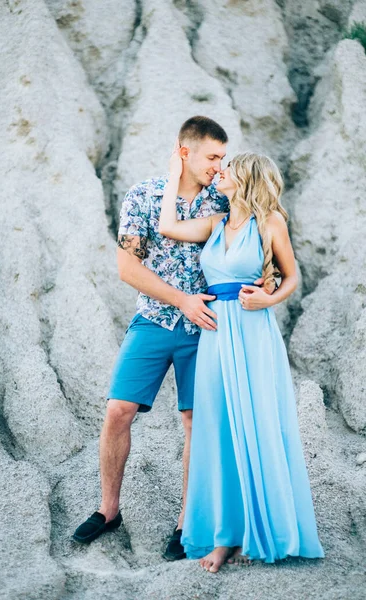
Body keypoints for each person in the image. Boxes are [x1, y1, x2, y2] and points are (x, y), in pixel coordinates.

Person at [72, 116, 269, 559]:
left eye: (224, 158)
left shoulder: (226, 197)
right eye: (213, 157)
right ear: (185, 153)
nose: (220, 166)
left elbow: (263, 236)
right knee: (118, 410)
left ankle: (187, 523)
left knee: (195, 424)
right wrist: (181, 300)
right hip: (155, 320)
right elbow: (128, 268)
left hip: (209, 329)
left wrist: (267, 289)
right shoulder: (143, 196)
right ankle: (108, 510)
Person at [159, 148, 325, 572]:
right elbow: (168, 227)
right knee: (218, 429)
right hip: (215, 337)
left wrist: (268, 298)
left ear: (246, 178)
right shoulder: (216, 223)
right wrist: (174, 174)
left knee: (257, 424)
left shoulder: (269, 222)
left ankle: (261, 529)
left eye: (227, 169)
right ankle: (224, 537)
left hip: (253, 333)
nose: (220, 172)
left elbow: (292, 276)